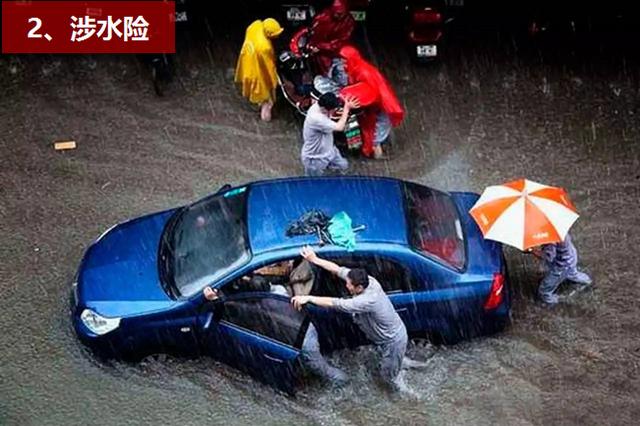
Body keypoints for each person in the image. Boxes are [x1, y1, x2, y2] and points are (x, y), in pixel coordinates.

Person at [291, 245, 410, 391]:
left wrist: (308, 298)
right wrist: (314, 259)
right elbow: (336, 269)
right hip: (388, 337)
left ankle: (409, 397)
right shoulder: (367, 281)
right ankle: (401, 362)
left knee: (389, 378)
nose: (346, 285)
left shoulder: (366, 300)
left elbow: (334, 303)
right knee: (393, 361)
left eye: (349, 284)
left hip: (392, 341)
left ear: (359, 288)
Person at [339, 45, 405, 159]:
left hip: (379, 105)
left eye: (344, 61)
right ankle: (374, 150)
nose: (343, 65)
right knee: (376, 128)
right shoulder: (356, 69)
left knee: (377, 130)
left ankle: (375, 151)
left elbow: (372, 91)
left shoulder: (363, 72)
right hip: (375, 105)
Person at [234, 18, 284, 122]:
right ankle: (266, 117)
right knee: (267, 99)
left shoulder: (255, 25)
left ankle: (259, 102)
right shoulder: (265, 47)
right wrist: (275, 82)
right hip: (257, 72)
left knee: (257, 91)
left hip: (247, 63)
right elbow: (269, 67)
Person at [301, 92, 359, 176]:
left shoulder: (319, 106)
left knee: (343, 166)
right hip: (315, 158)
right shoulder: (316, 118)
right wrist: (346, 109)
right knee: (314, 182)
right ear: (326, 108)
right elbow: (340, 127)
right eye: (334, 109)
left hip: (330, 151)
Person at [532, 233, 592, 305]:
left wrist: (533, 251)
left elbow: (549, 257)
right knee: (572, 273)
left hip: (562, 265)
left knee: (544, 290)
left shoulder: (550, 239)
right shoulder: (558, 229)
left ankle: (553, 301)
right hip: (571, 256)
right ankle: (587, 280)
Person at [307, 0, 356, 76]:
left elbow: (343, 40)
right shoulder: (322, 18)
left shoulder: (349, 21)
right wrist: (314, 46)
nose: (340, 16)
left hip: (337, 51)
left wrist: (323, 46)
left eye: (343, 13)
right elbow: (314, 34)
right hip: (321, 51)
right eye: (338, 13)